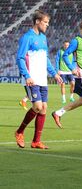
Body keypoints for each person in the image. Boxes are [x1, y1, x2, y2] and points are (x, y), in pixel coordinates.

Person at [15, 10, 63, 149]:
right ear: (37, 21)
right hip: (32, 78)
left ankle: (36, 141)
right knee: (37, 106)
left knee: (43, 109)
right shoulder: (27, 38)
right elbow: (20, 58)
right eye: (45, 22)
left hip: (42, 78)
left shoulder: (43, 38)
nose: (47, 25)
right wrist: (27, 76)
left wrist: (54, 73)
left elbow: (46, 58)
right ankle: (19, 132)